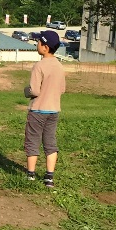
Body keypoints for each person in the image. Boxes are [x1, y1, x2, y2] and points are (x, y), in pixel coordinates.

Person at [24, 30, 66, 188]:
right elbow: (62, 89)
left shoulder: (39, 66)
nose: (37, 44)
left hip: (38, 111)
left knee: (32, 141)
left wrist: (26, 91)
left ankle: (31, 175)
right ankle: (49, 177)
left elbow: (34, 91)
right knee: (50, 142)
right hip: (54, 110)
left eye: (39, 42)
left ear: (45, 47)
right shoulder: (60, 66)